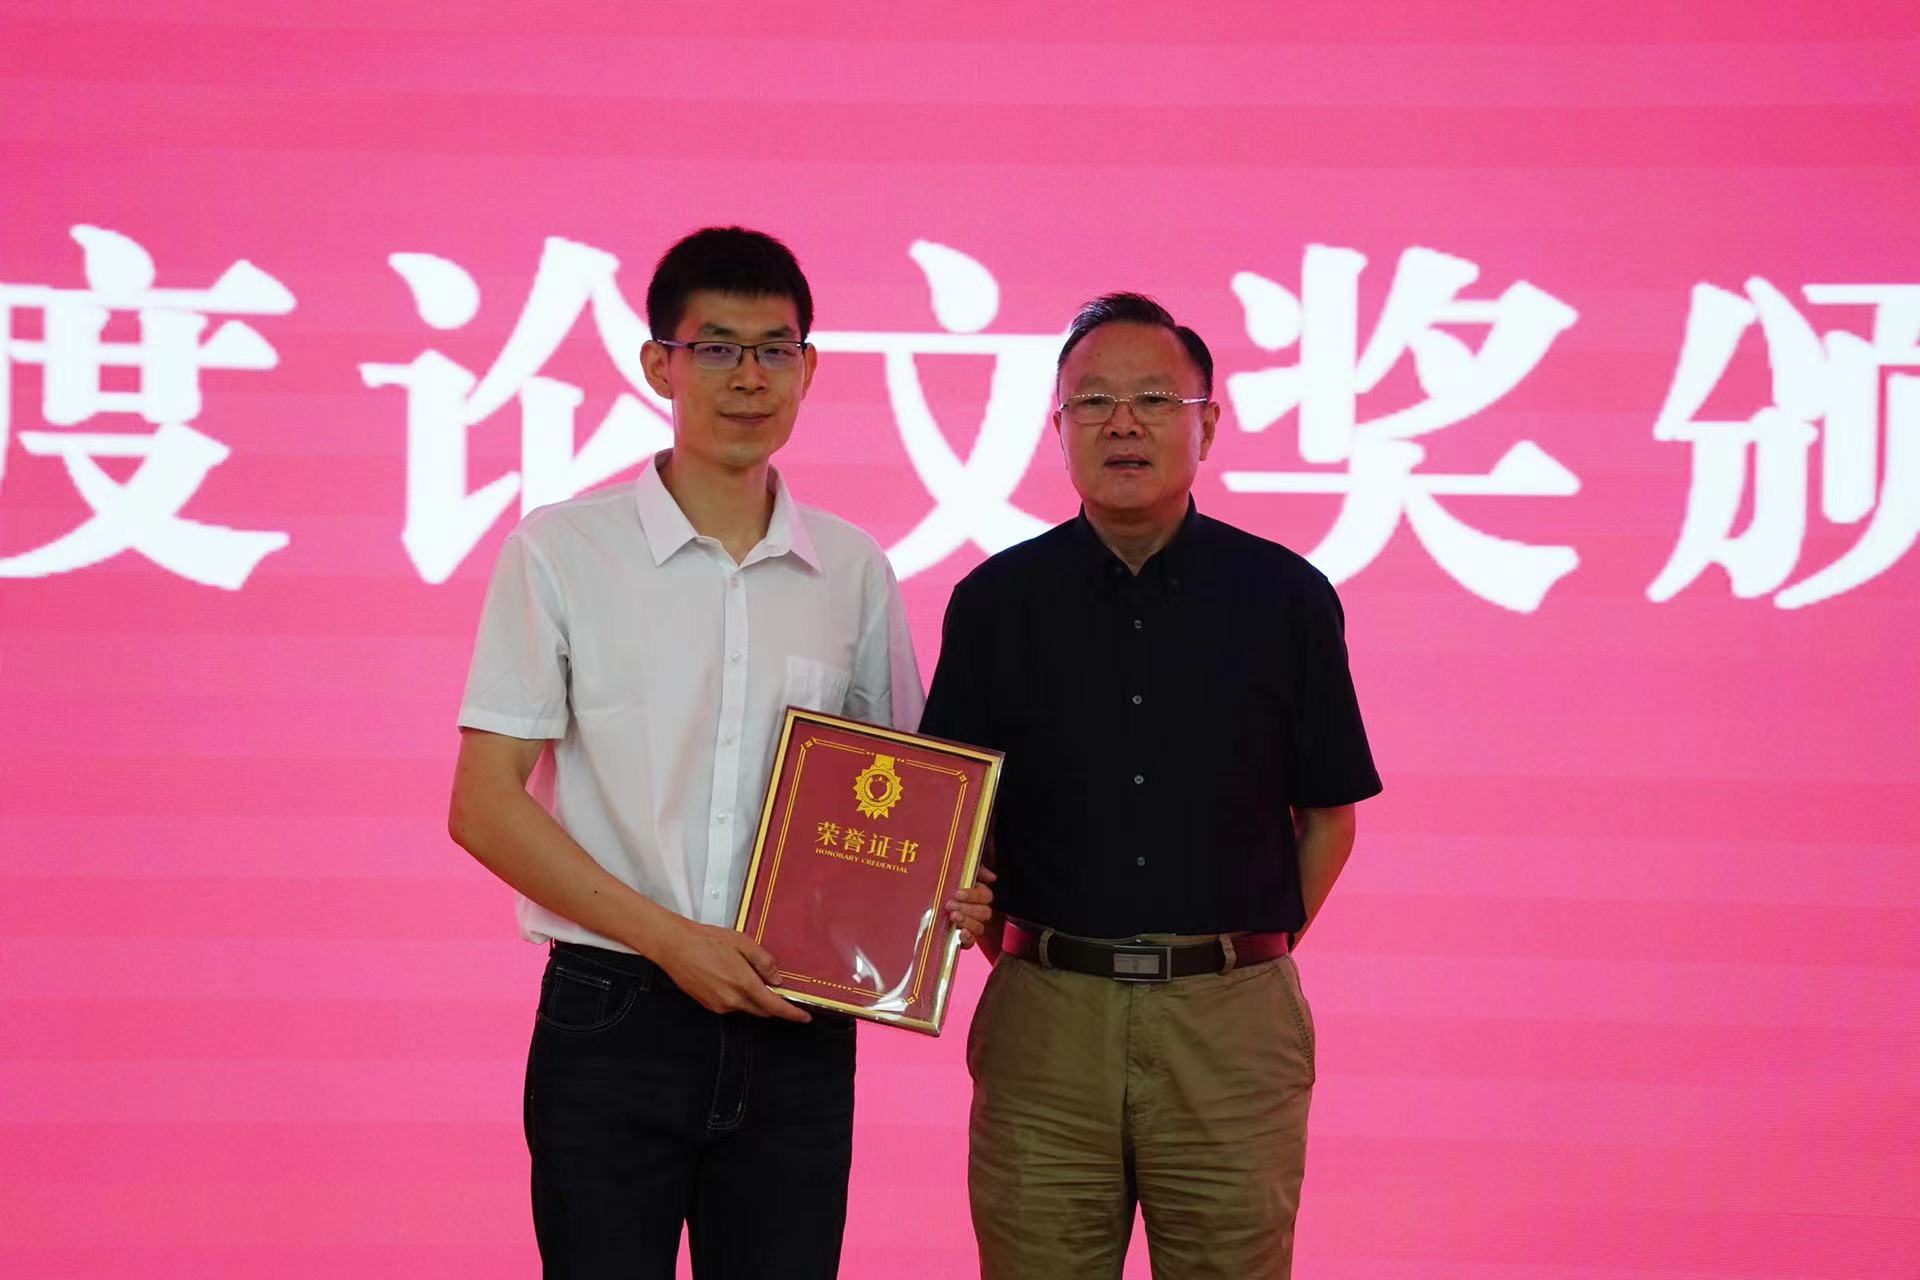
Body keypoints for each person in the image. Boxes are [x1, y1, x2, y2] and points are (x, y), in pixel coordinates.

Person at [448, 226, 992, 1279]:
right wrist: (671, 941)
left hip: (798, 1023)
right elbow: (482, 803)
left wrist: (946, 892)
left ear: (809, 368)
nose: (750, 376)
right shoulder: (563, 552)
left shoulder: (852, 570)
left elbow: (905, 798)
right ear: (660, 364)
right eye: (717, 348)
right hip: (613, 1012)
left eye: (775, 349)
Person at [920, 292, 1382, 1279]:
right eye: (1092, 402)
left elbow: (1328, 817)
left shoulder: (1287, 598)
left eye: (1154, 400)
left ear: (1207, 423)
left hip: (1231, 1026)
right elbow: (955, 818)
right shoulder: (996, 604)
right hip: (1046, 1021)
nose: (1122, 423)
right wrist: (1001, 933)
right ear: (1056, 427)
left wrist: (1243, 957)